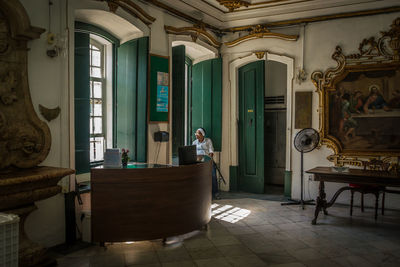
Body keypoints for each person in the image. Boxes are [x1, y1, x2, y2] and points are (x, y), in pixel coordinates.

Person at [192, 128, 219, 199]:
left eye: (198, 133)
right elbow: (192, 153)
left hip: (207, 160)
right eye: (196, 133)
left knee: (213, 175)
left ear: (202, 134)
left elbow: (211, 151)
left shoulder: (208, 141)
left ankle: (215, 193)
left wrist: (209, 159)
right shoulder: (194, 142)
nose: (196, 135)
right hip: (197, 161)